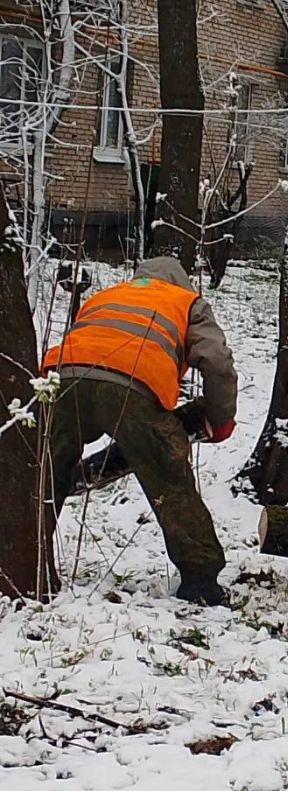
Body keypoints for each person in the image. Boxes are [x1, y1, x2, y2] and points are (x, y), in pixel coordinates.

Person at [41, 256, 237, 605]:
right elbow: (217, 362)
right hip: (133, 382)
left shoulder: (107, 295)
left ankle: (24, 558)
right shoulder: (186, 301)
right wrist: (221, 417)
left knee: (45, 473)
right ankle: (201, 581)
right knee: (168, 475)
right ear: (181, 281)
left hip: (63, 377)